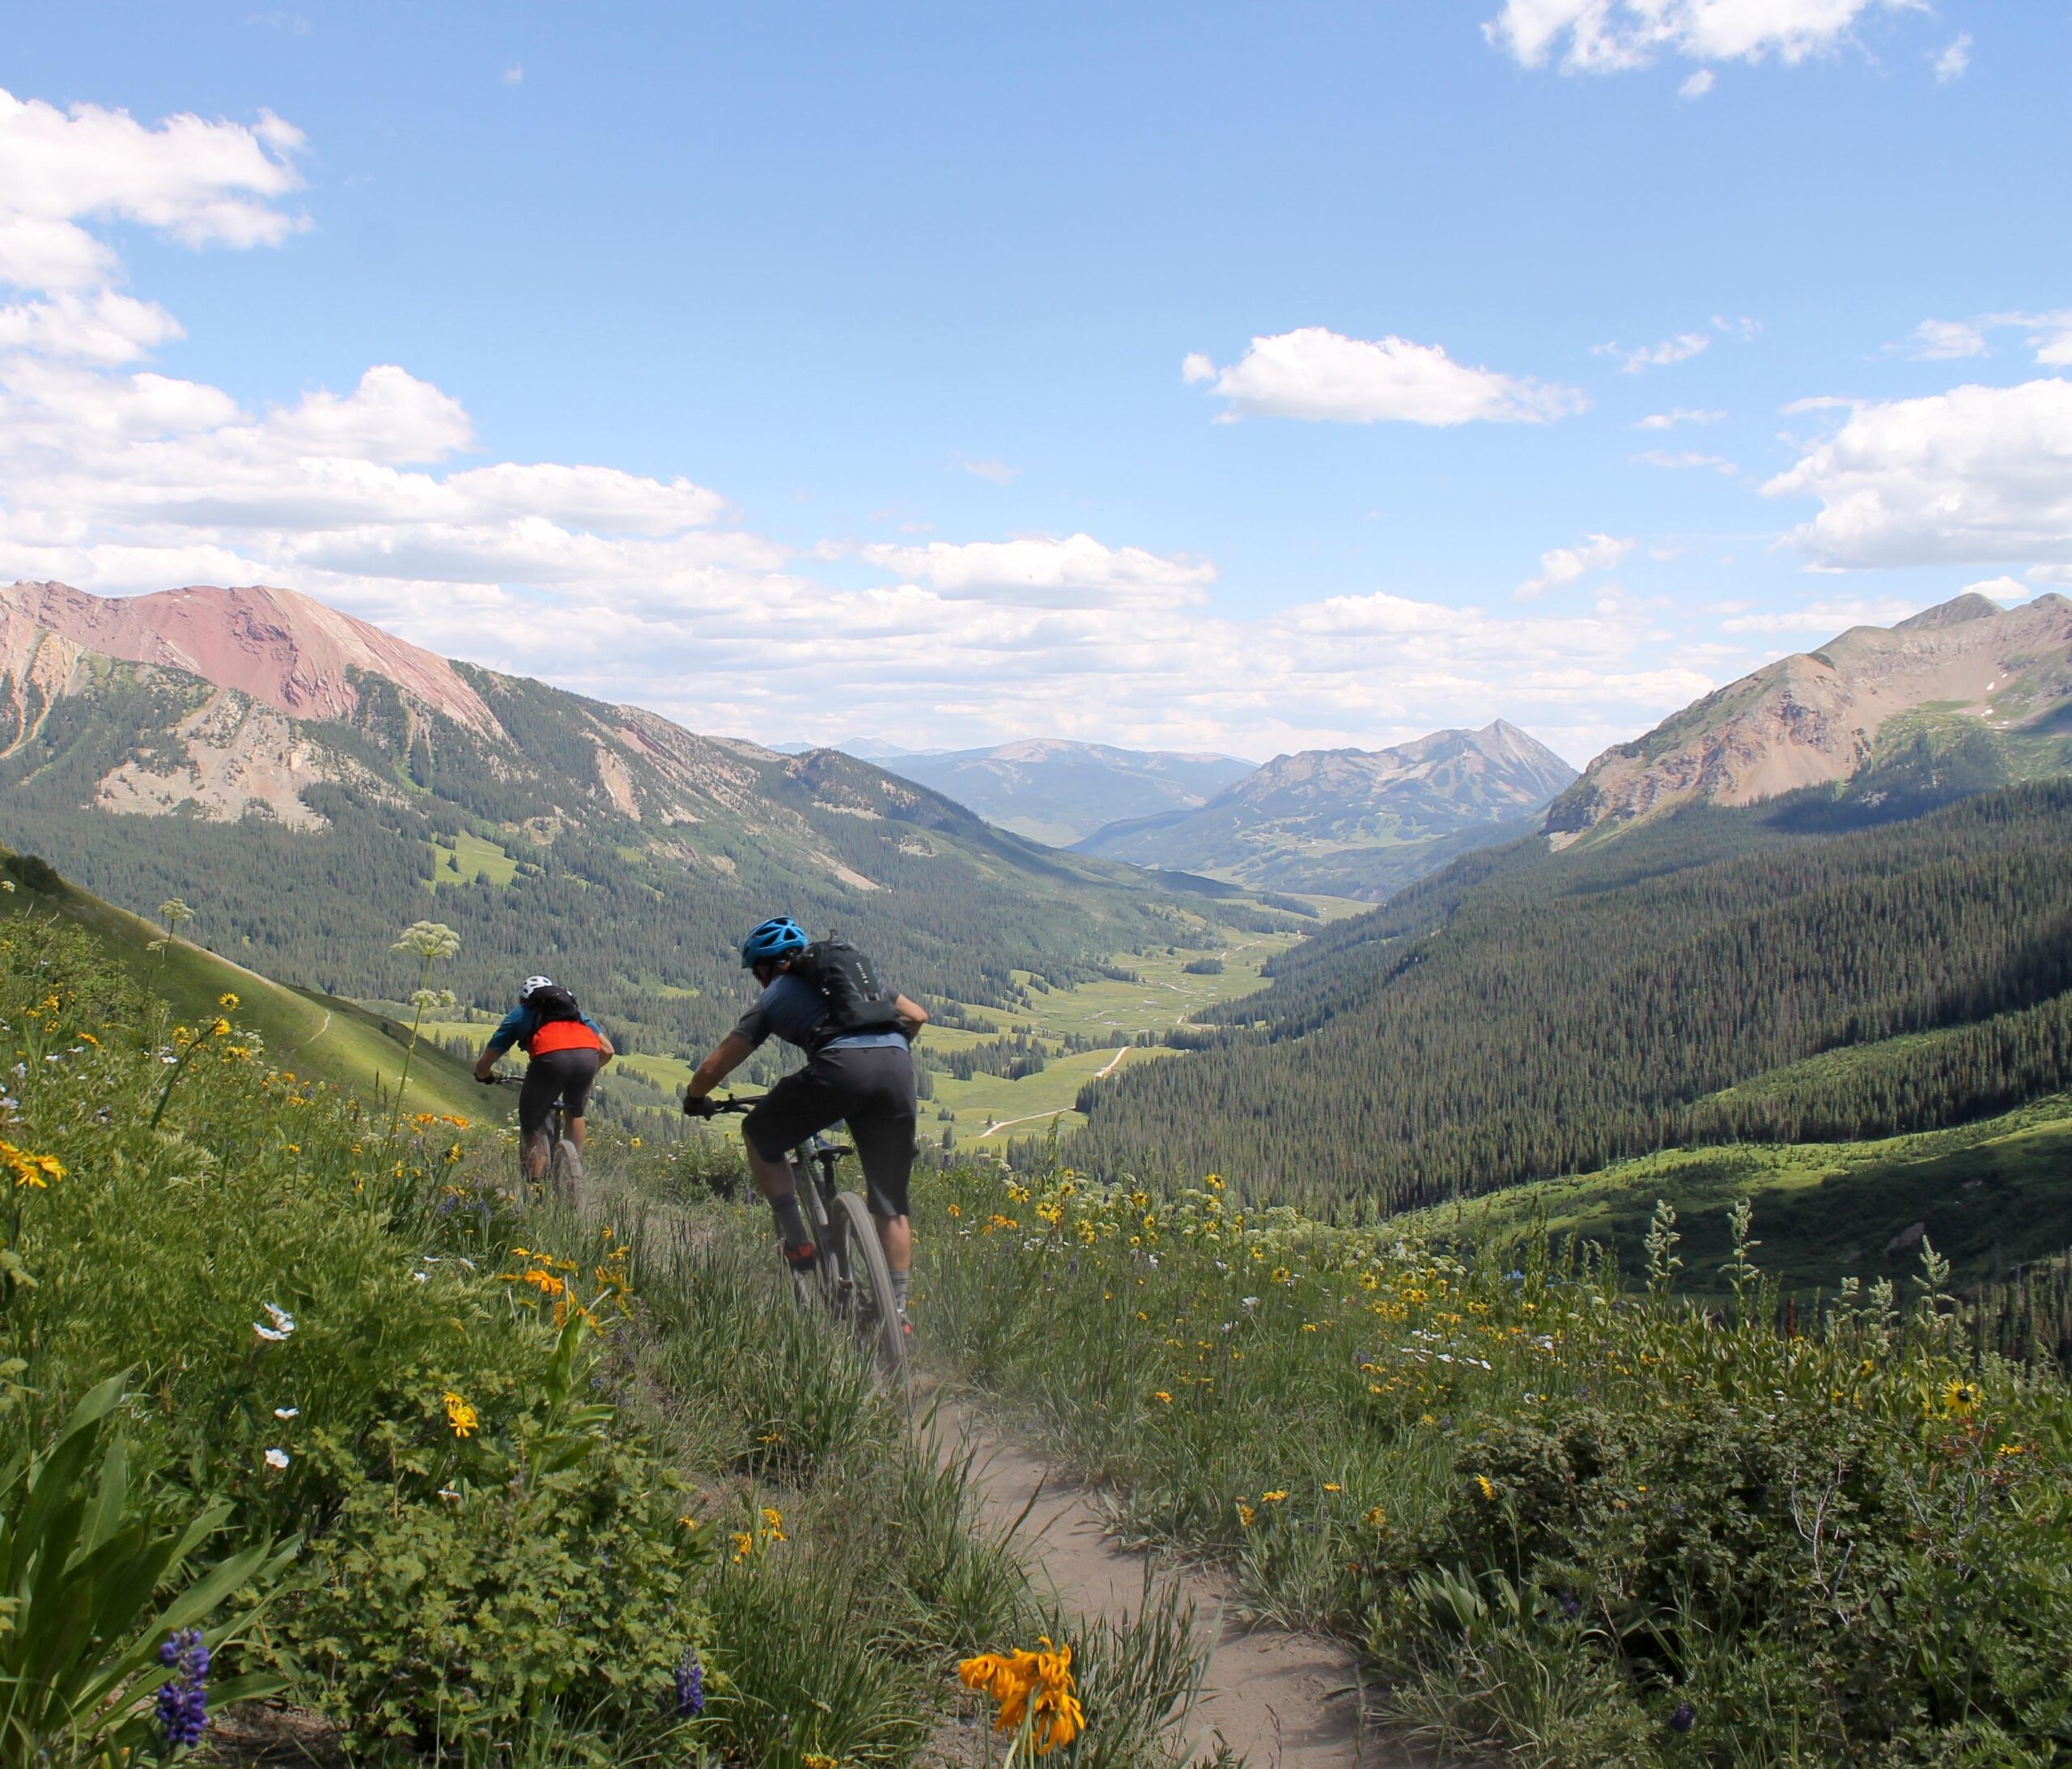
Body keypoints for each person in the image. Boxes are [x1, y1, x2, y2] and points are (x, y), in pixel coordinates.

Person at [683, 917, 927, 1326]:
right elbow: (917, 1016)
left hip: (839, 1067)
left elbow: (716, 1065)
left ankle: (797, 1243)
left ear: (765, 968)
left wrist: (695, 1098)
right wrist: (882, 1058)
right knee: (891, 1203)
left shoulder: (774, 995)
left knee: (759, 1134)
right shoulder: (856, 984)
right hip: (899, 1066)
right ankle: (897, 1311)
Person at [473, 975, 616, 1198]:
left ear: (524, 1000)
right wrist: (586, 1072)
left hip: (550, 1061)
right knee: (575, 1113)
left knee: (532, 1123)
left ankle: (536, 1187)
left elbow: (485, 1063)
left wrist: (484, 1076)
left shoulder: (520, 1015)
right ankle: (573, 1175)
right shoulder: (576, 1014)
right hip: (588, 1057)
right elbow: (607, 1050)